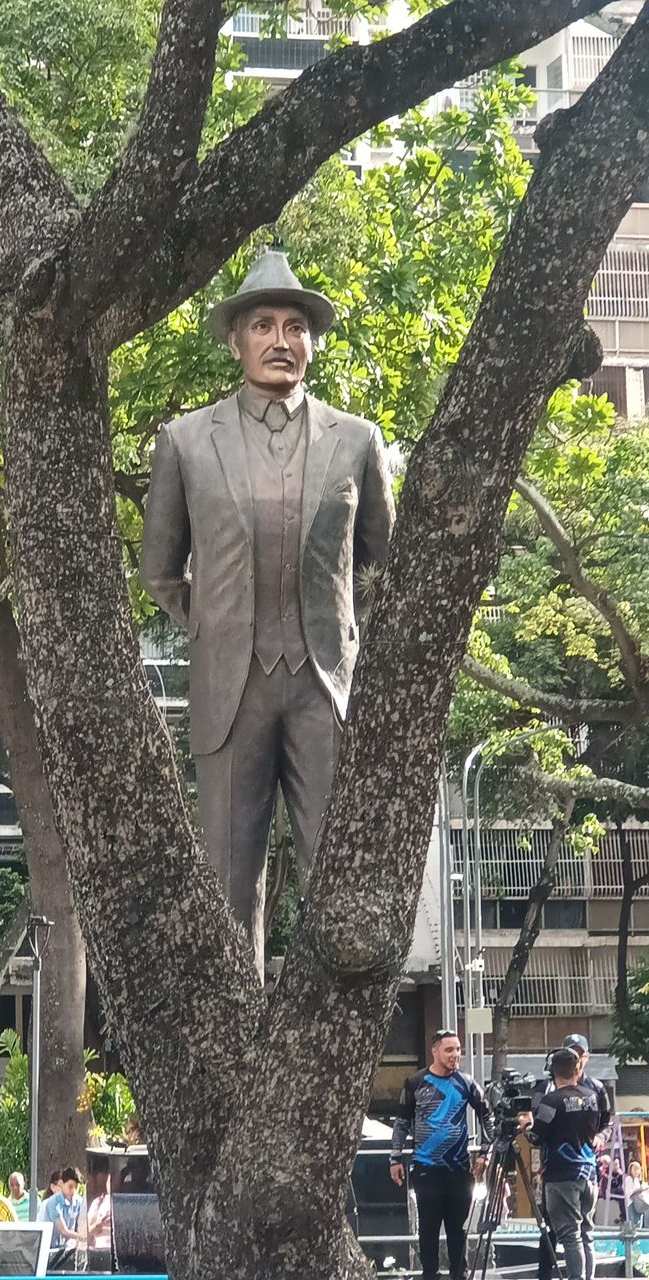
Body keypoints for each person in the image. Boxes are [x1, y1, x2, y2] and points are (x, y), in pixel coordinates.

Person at [140, 249, 395, 979]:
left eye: (295, 326)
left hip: (325, 686)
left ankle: (325, 1025)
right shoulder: (186, 441)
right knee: (229, 880)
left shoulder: (357, 440)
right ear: (235, 341)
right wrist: (217, 627)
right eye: (263, 325)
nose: (281, 340)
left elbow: (385, 560)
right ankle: (239, 1026)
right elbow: (159, 571)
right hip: (231, 688)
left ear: (312, 341)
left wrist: (336, 620)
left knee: (335, 876)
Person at [390, 1029, 494, 1280]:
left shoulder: (467, 1082)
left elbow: (488, 1116)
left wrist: (485, 1152)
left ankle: (460, 1275)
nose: (455, 1055)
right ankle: (430, 1275)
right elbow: (401, 1122)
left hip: (459, 1169)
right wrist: (395, 1157)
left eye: (458, 1049)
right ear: (434, 1051)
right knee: (428, 1229)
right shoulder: (415, 1082)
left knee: (458, 1228)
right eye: (449, 1050)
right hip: (426, 1169)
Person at [529, 1048, 600, 1280]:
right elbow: (600, 1124)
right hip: (589, 1173)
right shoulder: (591, 1097)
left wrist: (527, 1125)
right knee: (586, 1233)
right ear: (577, 1069)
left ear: (553, 1072)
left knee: (570, 1236)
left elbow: (536, 1137)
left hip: (562, 1176)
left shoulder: (551, 1101)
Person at [39, 1167, 86, 1252]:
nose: (73, 1191)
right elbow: (64, 1231)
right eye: (70, 1187)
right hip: (49, 1249)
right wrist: (84, 1238)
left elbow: (82, 1224)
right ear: (61, 1183)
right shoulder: (53, 1202)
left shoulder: (78, 1201)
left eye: (76, 1187)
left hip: (67, 1248)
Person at [625, 1161, 647, 1227]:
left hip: (639, 1204)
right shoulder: (629, 1179)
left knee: (639, 1222)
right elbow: (629, 1192)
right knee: (634, 1222)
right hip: (632, 1203)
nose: (636, 1171)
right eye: (634, 1169)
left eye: (637, 1169)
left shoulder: (637, 1180)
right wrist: (639, 1189)